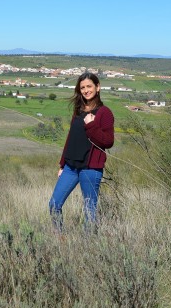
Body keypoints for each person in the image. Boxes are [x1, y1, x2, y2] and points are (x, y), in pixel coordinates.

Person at [48, 72, 115, 233]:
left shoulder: (105, 112)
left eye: (89, 86)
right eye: (82, 87)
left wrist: (91, 125)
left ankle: (87, 247)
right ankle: (60, 238)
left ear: (97, 87)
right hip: (71, 167)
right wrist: (62, 164)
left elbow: (108, 141)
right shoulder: (78, 110)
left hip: (90, 169)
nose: (86, 90)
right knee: (54, 204)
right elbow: (71, 138)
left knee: (89, 211)